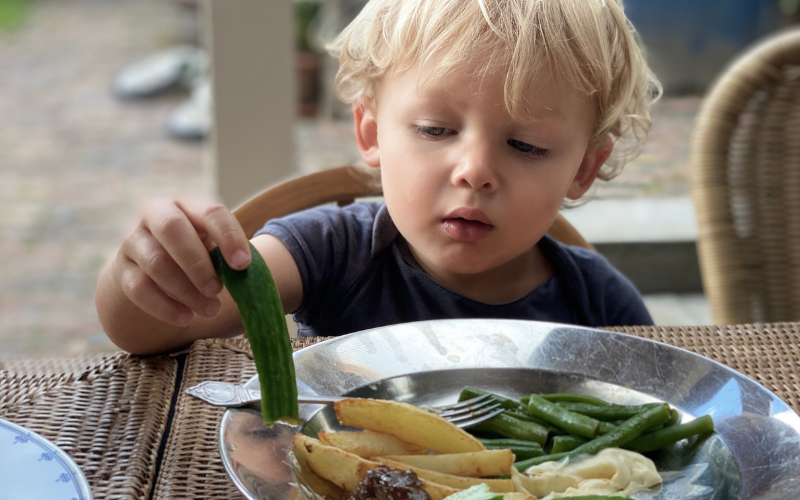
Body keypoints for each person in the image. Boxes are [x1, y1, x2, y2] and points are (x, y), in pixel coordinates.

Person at [96, 0, 661, 355]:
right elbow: (154, 330)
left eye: (526, 144)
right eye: (435, 130)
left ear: (583, 168)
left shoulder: (600, 303)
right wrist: (147, 276)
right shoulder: (329, 250)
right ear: (370, 133)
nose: (475, 172)